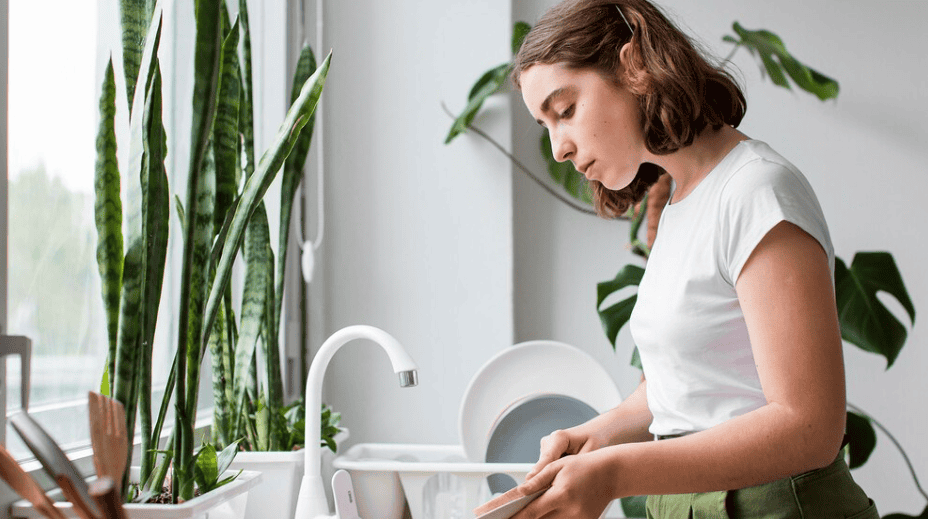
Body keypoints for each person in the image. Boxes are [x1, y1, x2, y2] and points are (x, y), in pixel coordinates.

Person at [496, 0, 880, 517]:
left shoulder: (756, 190)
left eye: (564, 111)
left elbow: (807, 425)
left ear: (633, 66)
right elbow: (685, 386)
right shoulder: (677, 203)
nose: (559, 148)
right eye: (546, 125)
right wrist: (595, 435)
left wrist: (614, 473)